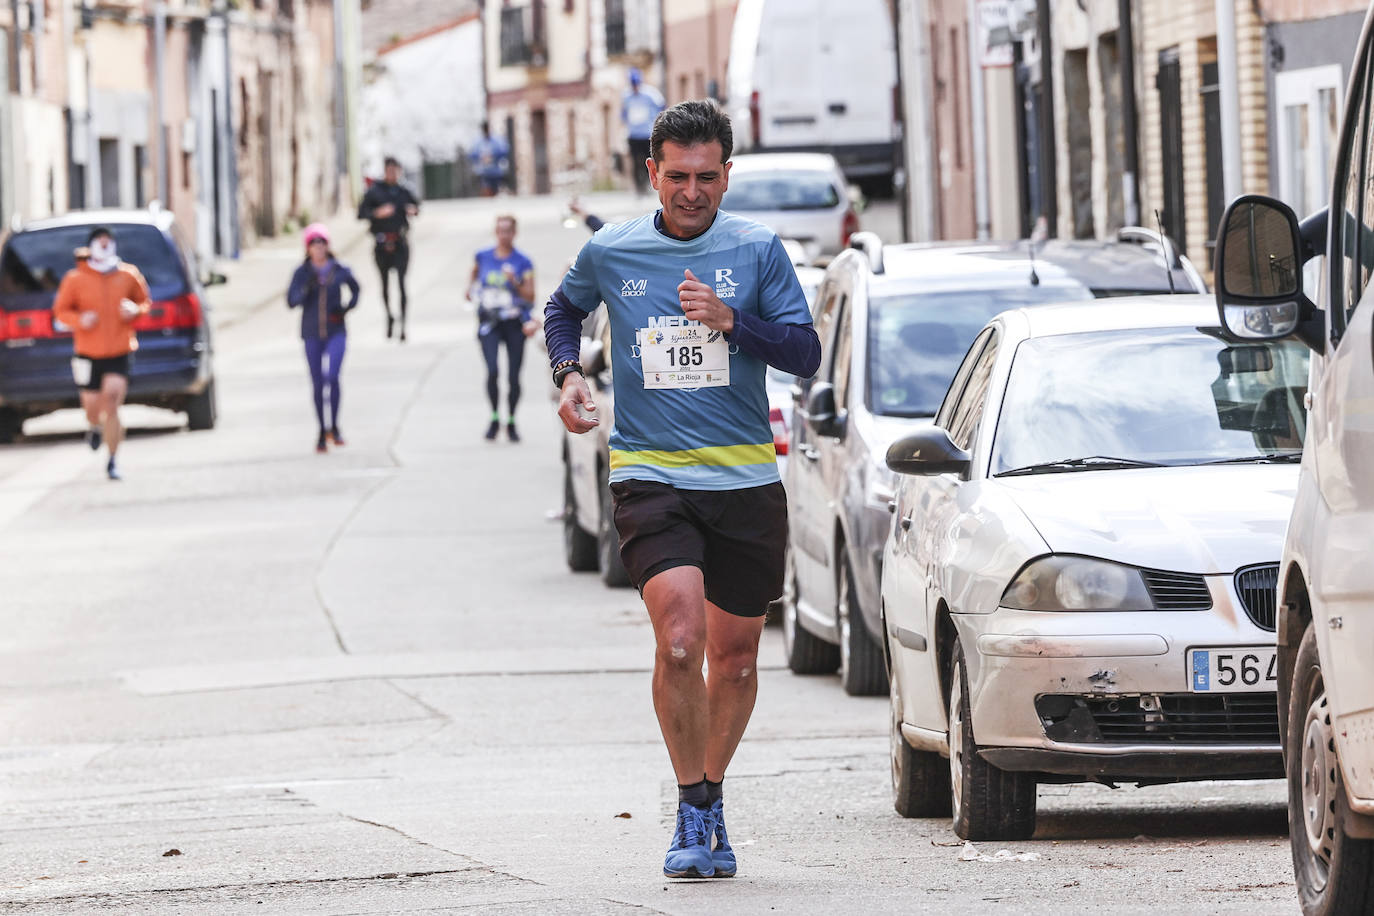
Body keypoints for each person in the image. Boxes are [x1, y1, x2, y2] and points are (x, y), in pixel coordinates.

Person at [543, 100, 820, 878]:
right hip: (649, 471)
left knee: (732, 660)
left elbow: (803, 351)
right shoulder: (614, 249)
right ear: (651, 173)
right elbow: (562, 310)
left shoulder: (759, 250)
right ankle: (691, 804)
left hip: (744, 478)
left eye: (706, 177)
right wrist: (569, 376)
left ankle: (713, 793)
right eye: (676, 177)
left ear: (727, 175)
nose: (691, 192)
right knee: (680, 640)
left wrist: (733, 321)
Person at [52, 226, 151, 480]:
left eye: (109, 242)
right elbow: (61, 312)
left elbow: (145, 302)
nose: (105, 246)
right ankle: (94, 426)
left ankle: (113, 459)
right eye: (100, 242)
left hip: (119, 349)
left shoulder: (128, 275)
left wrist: (135, 311)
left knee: (112, 401)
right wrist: (79, 319)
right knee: (92, 407)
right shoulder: (75, 279)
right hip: (87, 352)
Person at [287, 223, 360, 453]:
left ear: (328, 246)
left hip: (336, 330)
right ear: (307, 248)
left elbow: (356, 289)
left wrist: (346, 308)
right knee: (317, 383)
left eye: (322, 243)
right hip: (311, 333)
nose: (318, 248)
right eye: (314, 244)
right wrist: (305, 291)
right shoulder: (302, 273)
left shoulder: (338, 269)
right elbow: (291, 301)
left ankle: (335, 426)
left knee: (333, 376)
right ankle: (321, 430)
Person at [469, 214, 538, 442]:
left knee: (513, 376)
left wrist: (515, 282)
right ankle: (494, 417)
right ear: (495, 232)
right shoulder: (482, 256)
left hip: (513, 323)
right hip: (489, 322)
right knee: (492, 371)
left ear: (514, 233)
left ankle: (511, 421)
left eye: (508, 231)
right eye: (500, 231)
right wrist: (472, 292)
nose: (504, 235)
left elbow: (530, 295)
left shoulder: (523, 262)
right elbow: (472, 282)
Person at [357, 156, 419, 341]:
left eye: (395, 171)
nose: (392, 174)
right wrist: (378, 213)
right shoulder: (374, 191)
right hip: (381, 243)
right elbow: (361, 213)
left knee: (401, 284)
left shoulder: (404, 190)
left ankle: (403, 324)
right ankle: (389, 316)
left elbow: (417, 207)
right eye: (389, 171)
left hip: (400, 242)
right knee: (384, 285)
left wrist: (412, 210)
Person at [621, 68, 665, 195]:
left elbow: (662, 107)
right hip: (633, 134)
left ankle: (647, 184)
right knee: (635, 161)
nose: (634, 87)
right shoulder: (626, 96)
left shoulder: (650, 94)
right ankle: (638, 187)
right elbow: (624, 113)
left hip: (647, 134)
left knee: (648, 160)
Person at [469, 122, 511, 197]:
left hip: (496, 172)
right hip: (483, 172)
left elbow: (504, 151)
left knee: (496, 191)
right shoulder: (478, 142)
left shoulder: (496, 140)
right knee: (486, 190)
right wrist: (481, 158)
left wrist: (493, 156)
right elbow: (472, 154)